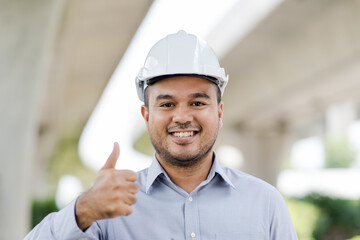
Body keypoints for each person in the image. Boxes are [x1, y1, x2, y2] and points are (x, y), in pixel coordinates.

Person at [26, 30, 298, 239]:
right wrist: (82, 210)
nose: (181, 117)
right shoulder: (108, 206)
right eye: (167, 104)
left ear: (219, 113)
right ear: (146, 117)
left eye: (198, 102)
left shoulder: (265, 202)